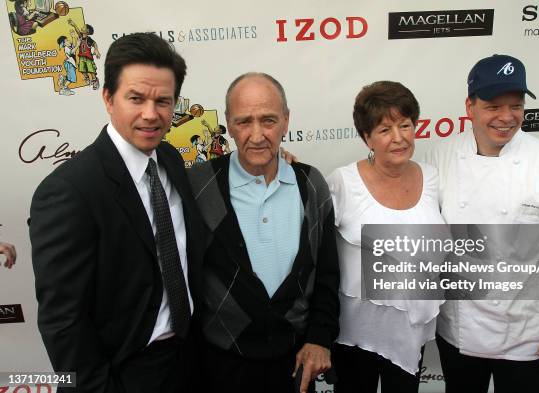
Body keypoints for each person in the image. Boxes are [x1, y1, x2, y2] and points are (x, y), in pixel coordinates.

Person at [29, 33, 207, 393]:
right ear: (108, 98)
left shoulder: (170, 159)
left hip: (192, 357)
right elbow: (62, 322)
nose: (150, 114)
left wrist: (271, 161)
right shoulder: (68, 191)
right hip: (127, 371)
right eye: (136, 98)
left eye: (163, 101)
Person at [424, 54, 539, 393]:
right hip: (459, 327)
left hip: (529, 333)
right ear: (470, 106)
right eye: (494, 106)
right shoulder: (441, 155)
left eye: (516, 105)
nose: (507, 117)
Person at [188, 72, 340, 393]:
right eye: (244, 122)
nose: (257, 135)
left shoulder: (311, 185)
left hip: (295, 364)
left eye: (268, 120)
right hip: (218, 366)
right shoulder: (197, 185)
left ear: (286, 120)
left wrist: (319, 338)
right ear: (228, 124)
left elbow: (327, 274)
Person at [326, 81, 445, 393]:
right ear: (367, 137)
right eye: (384, 129)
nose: (399, 138)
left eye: (405, 125)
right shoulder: (342, 182)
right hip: (355, 334)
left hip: (410, 331)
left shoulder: (432, 177)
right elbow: (315, 251)